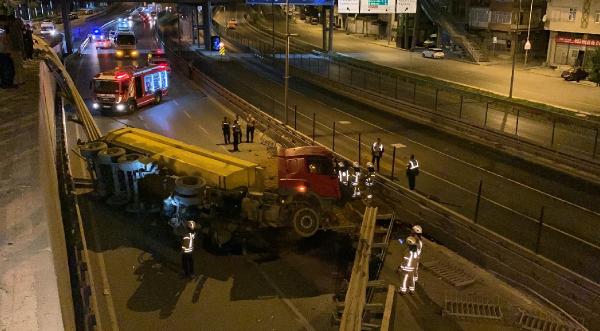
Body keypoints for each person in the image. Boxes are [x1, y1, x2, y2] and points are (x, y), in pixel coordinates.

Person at [7, 15, 24, 85]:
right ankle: (19, 80)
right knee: (18, 65)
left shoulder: (12, 28)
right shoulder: (16, 29)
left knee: (17, 65)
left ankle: (18, 80)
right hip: (16, 49)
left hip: (14, 49)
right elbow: (20, 40)